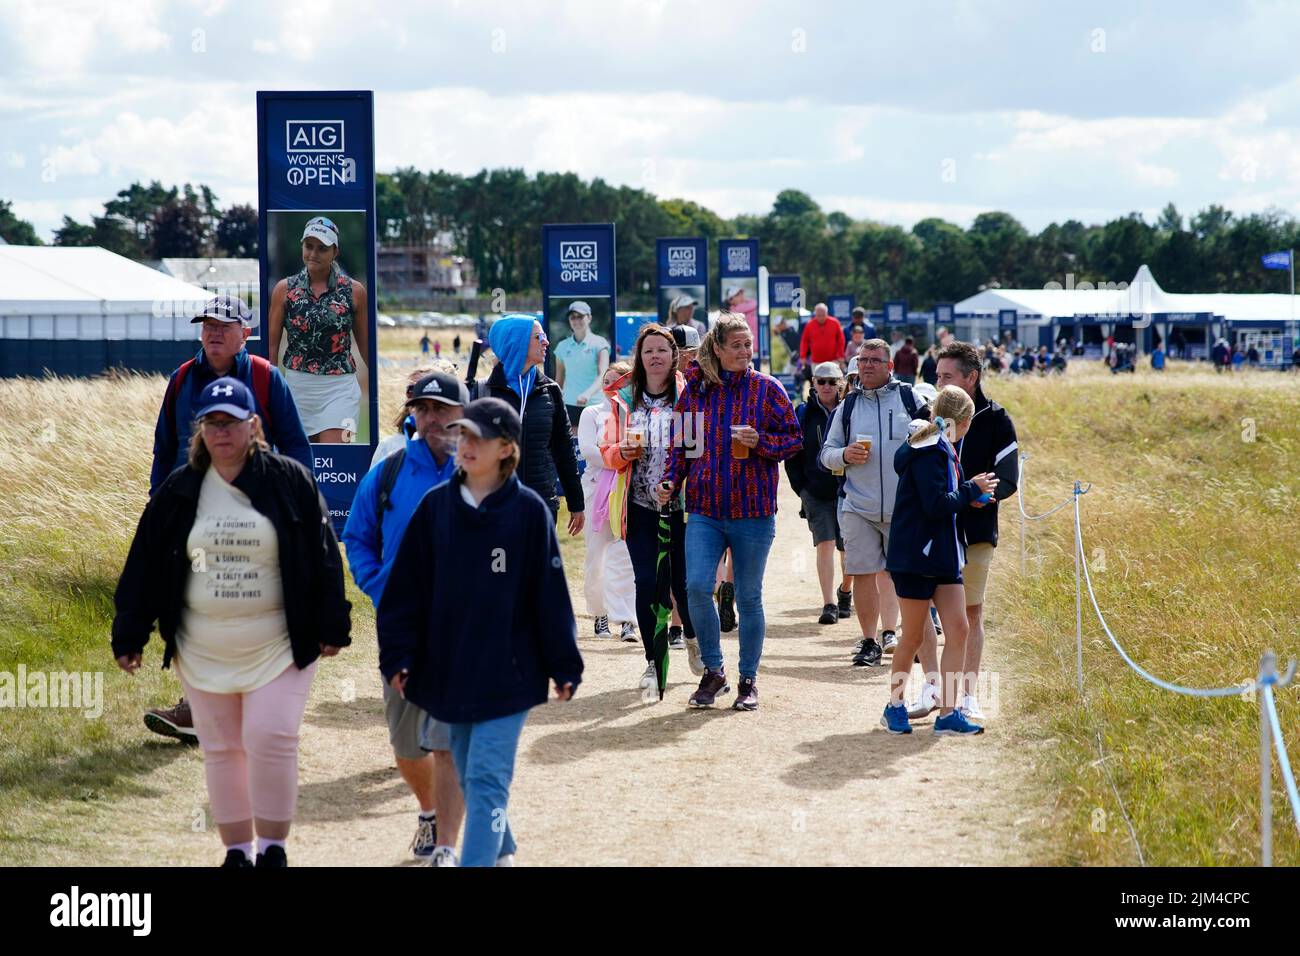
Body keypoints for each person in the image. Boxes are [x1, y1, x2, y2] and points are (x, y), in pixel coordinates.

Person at [113, 377, 350, 866]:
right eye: (212, 423)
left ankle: (274, 848)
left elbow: (323, 555)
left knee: (270, 736)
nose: (221, 432)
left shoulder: (289, 481)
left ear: (254, 426)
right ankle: (238, 852)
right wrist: (130, 631)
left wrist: (332, 624)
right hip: (203, 647)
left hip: (279, 644)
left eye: (232, 422)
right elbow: (146, 563)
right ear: (200, 431)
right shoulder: (180, 490)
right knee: (222, 749)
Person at [377, 398, 583, 867]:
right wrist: (399, 657)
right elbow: (404, 592)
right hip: (445, 672)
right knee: (469, 771)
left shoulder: (529, 512)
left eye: (478, 438)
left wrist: (563, 661)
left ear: (507, 449)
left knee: (487, 781)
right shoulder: (435, 508)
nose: (465, 445)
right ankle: (502, 849)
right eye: (462, 435)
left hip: (510, 675)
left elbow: (548, 594)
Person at [144, 294, 313, 743]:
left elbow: (296, 445)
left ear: (245, 333)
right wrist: (159, 509)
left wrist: (296, 504)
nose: (213, 332)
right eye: (207, 325)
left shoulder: (265, 377)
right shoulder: (181, 380)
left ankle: (254, 701)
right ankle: (197, 707)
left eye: (224, 325)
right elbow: (164, 450)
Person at [342, 371, 468, 865]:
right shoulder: (389, 472)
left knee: (450, 737)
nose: (433, 418)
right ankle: (428, 811)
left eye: (443, 409)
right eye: (425, 409)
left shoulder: (482, 469)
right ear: (413, 414)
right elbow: (357, 537)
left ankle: (447, 846)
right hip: (404, 625)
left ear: (463, 414)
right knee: (407, 742)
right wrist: (381, 590)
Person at [660, 313, 802, 711]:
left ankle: (748, 679)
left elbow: (794, 440)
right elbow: (681, 448)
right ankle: (714, 670)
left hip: (754, 511)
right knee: (696, 589)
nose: (744, 351)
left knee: (748, 595)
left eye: (748, 344)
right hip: (704, 508)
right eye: (736, 345)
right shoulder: (696, 393)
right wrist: (671, 481)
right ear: (717, 349)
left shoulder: (768, 389)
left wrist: (761, 443)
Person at [879, 385, 997, 737]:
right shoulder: (929, 448)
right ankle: (894, 705)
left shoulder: (940, 445)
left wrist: (967, 498)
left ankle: (948, 712)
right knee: (913, 635)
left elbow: (943, 499)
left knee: (958, 628)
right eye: (969, 422)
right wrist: (969, 491)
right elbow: (934, 504)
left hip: (943, 554)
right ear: (962, 421)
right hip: (916, 556)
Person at [819, 338, 936, 668]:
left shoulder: (910, 400)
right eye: (862, 359)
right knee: (863, 573)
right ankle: (870, 641)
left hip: (905, 510)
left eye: (874, 360)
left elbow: (936, 446)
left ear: (890, 366)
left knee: (905, 577)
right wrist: (843, 455)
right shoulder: (848, 407)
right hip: (859, 505)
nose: (867, 365)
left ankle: (899, 636)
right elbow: (826, 454)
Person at [602, 325, 697, 693]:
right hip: (638, 506)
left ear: (674, 356)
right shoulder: (625, 400)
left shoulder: (688, 396)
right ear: (639, 358)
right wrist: (620, 453)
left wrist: (675, 483)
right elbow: (607, 448)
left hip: (681, 508)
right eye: (648, 351)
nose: (655, 356)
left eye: (662, 350)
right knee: (647, 583)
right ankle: (653, 661)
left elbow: (696, 449)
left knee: (684, 585)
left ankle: (691, 639)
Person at [934, 341, 1020, 719]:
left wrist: (975, 497)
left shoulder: (998, 420)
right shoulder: (930, 415)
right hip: (933, 531)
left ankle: (965, 694)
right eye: (937, 376)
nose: (939, 384)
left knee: (970, 614)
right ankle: (935, 691)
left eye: (947, 376)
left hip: (976, 533)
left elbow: (1008, 479)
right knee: (923, 616)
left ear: (972, 377)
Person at [268, 216, 370, 443]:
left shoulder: (355, 292)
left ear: (335, 252)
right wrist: (269, 391)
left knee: (335, 459)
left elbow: (366, 346)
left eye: (322, 248)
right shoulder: (284, 290)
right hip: (296, 389)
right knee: (302, 467)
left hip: (340, 389)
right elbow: (271, 348)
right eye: (309, 246)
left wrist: (380, 385)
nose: (313, 254)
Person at [482, 314, 585, 535]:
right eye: (539, 337)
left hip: (541, 505)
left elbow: (564, 449)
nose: (546, 342)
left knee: (538, 569)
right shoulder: (484, 392)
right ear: (516, 341)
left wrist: (576, 502)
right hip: (494, 505)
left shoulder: (550, 390)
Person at [786, 361, 852, 625]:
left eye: (832, 381)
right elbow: (792, 453)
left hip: (847, 490)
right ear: (812, 383)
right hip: (815, 492)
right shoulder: (802, 413)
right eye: (820, 381)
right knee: (824, 544)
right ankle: (829, 603)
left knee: (848, 548)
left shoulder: (850, 410)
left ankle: (845, 590)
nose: (826, 386)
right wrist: (801, 489)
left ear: (841, 384)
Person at [577, 363, 638, 643]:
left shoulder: (636, 414)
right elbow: (589, 451)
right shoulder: (592, 413)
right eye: (607, 379)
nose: (611, 384)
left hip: (629, 488)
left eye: (619, 380)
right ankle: (600, 613)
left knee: (626, 556)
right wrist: (621, 457)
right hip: (597, 490)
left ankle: (626, 618)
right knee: (597, 555)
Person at [553, 300, 611, 427]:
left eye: (580, 316)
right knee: (573, 445)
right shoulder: (562, 346)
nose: (576, 320)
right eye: (572, 317)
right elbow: (559, 380)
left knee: (595, 444)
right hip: (569, 405)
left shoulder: (600, 343)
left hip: (595, 405)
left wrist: (588, 394)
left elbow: (603, 374)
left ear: (589, 318)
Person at [798, 303, 847, 383]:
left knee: (834, 382)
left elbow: (841, 340)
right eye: (818, 315)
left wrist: (840, 355)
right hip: (816, 361)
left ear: (827, 313)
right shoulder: (809, 325)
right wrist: (802, 356)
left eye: (823, 315)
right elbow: (804, 341)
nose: (821, 317)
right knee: (818, 384)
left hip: (833, 360)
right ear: (815, 314)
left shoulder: (835, 323)